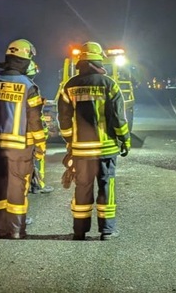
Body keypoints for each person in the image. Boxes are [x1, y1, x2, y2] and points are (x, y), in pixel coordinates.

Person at [0, 39, 46, 239]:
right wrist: (40, 146)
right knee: (16, 188)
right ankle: (14, 230)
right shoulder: (28, 86)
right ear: (25, 59)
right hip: (20, 148)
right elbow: (35, 121)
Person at [57, 41, 131, 241]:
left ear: (80, 61)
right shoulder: (109, 85)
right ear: (99, 60)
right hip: (106, 149)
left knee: (82, 188)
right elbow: (118, 117)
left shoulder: (69, 86)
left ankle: (79, 231)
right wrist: (125, 139)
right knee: (106, 186)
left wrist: (70, 141)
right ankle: (106, 230)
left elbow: (63, 119)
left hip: (81, 151)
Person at [27, 60, 54, 194]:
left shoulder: (20, 85)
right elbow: (35, 115)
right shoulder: (30, 87)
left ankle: (31, 184)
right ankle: (38, 185)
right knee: (38, 156)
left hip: (17, 133)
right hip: (31, 132)